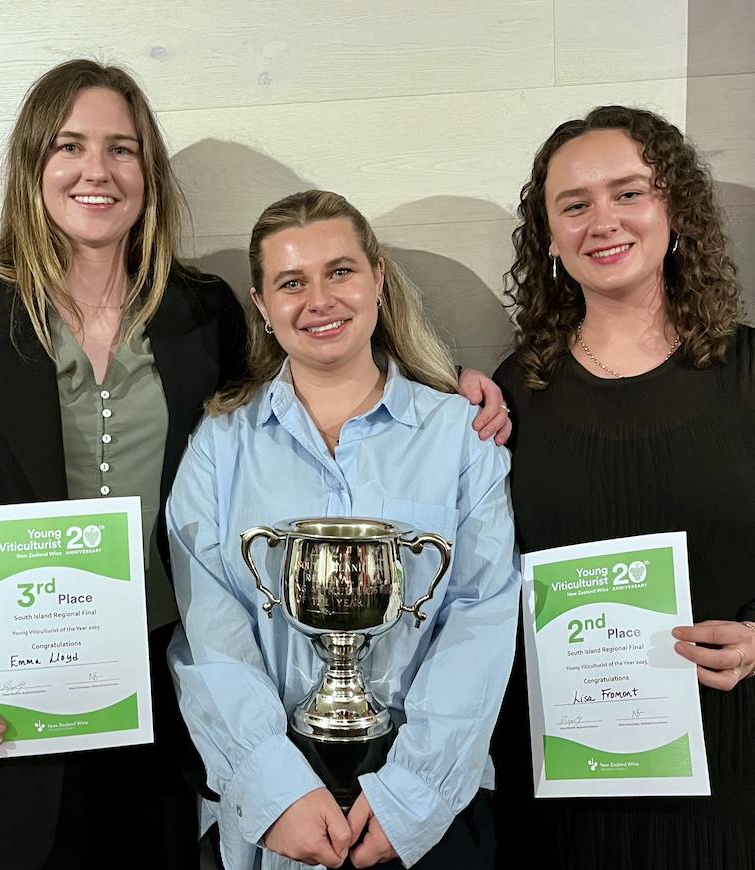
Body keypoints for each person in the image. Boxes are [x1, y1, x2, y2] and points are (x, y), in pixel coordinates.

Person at [0, 59, 248, 869]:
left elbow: (298, 409)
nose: (97, 171)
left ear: (148, 172)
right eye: (70, 146)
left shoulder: (202, 311)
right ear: (33, 163)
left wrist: (444, 387)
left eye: (122, 149)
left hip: (158, 704)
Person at [166, 189, 520, 870]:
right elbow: (209, 628)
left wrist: (413, 793)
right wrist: (273, 784)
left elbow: (481, 617)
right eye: (291, 283)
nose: (320, 300)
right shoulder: (221, 444)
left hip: (428, 810)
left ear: (378, 278)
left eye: (340, 271)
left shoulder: (460, 436)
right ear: (262, 305)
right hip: (276, 813)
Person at [492, 105, 755, 869]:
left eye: (629, 193)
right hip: (568, 790)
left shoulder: (749, 374)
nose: (603, 221)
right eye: (574, 205)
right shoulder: (514, 393)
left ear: (676, 209)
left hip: (734, 768)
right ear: (549, 237)